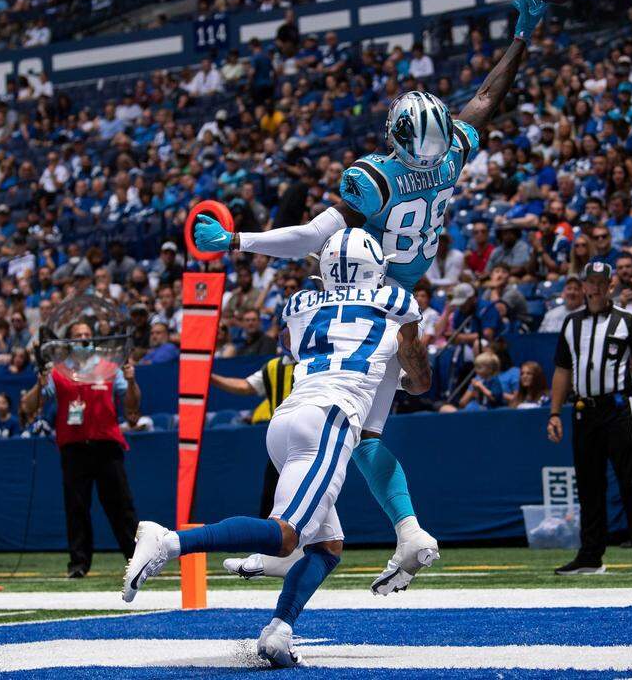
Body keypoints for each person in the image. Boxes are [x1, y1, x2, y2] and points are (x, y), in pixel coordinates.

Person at [191, 0, 550, 593]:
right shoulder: (451, 157)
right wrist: (521, 36)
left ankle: (296, 537)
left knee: (317, 410)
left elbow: (312, 237)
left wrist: (236, 241)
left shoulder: (376, 177)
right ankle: (403, 531)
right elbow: (487, 98)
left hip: (358, 299)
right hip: (401, 303)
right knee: (359, 434)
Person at [121, 228, 431, 666]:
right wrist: (401, 372)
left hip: (285, 419)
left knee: (327, 546)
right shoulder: (398, 302)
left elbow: (294, 341)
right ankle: (169, 542)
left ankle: (278, 631)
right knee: (286, 537)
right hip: (331, 417)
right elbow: (419, 379)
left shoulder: (300, 304)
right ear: (376, 268)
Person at [547, 261, 632, 575]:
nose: (596, 287)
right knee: (588, 485)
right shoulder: (571, 323)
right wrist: (555, 413)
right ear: (584, 285)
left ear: (611, 285)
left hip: (618, 409)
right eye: (591, 282)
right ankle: (590, 556)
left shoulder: (626, 320)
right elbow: (562, 369)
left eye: (601, 282)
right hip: (584, 411)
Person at [20, 320, 142, 578]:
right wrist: (40, 383)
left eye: (87, 334)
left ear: (93, 339)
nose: (83, 338)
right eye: (77, 335)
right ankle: (78, 563)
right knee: (76, 507)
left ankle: (137, 559)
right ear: (68, 341)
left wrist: (131, 381)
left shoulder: (109, 368)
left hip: (107, 445)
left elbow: (132, 405)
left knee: (121, 505)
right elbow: (29, 406)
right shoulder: (58, 372)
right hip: (74, 448)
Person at [211, 355, 297, 522]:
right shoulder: (273, 366)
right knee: (271, 498)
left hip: (311, 440)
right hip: (280, 444)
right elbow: (246, 386)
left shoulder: (318, 361)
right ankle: (270, 537)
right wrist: (210, 377)